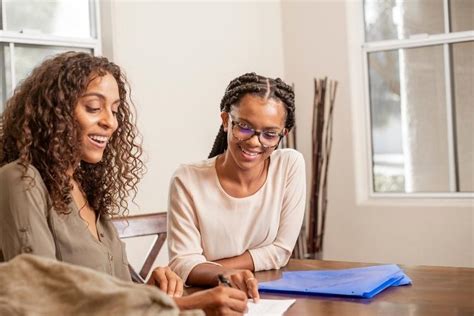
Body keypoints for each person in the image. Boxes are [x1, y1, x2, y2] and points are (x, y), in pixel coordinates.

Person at [0, 52, 247, 315]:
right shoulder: (20, 180)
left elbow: (109, 292)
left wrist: (147, 292)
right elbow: (41, 298)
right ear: (53, 112)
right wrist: (183, 304)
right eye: (94, 108)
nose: (111, 122)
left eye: (115, 110)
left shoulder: (85, 191)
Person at [167, 72, 306, 302]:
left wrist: (208, 268)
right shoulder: (188, 179)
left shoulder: (289, 165)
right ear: (225, 121)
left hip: (265, 298)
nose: (254, 141)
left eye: (270, 134)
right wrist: (224, 274)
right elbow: (183, 263)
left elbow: (281, 251)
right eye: (244, 127)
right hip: (208, 299)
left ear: (283, 134)